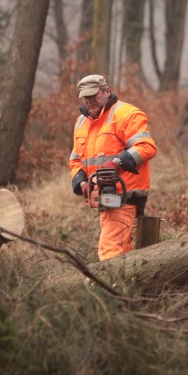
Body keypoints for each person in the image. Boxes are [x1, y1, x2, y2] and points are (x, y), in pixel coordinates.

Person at [69, 74, 157, 261]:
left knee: (110, 251)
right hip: (103, 196)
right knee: (121, 251)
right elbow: (75, 159)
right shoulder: (81, 122)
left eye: (94, 96)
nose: (89, 101)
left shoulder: (126, 114)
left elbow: (146, 147)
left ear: (106, 91)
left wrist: (117, 162)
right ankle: (123, 288)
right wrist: (82, 183)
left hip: (124, 195)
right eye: (86, 97)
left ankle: (105, 286)